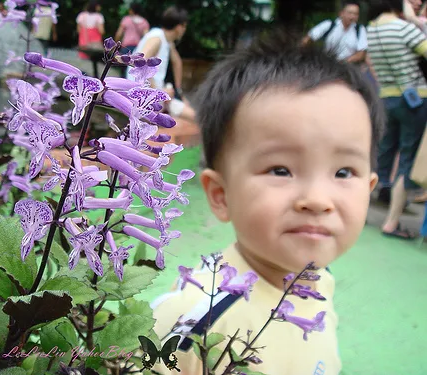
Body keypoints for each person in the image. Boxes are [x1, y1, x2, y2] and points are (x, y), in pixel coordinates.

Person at [150, 32, 382, 375]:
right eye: (281, 169)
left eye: (344, 171)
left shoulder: (321, 279)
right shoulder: (192, 323)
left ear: (370, 186)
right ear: (220, 195)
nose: (317, 200)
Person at [367, 0, 427, 239]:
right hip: (415, 99)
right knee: (407, 160)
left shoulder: (372, 28)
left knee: (382, 153)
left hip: (387, 98)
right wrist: (415, 22)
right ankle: (391, 223)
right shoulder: (404, 28)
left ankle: (363, 211)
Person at [126, 6, 195, 122]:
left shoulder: (166, 40)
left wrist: (178, 91)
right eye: (184, 27)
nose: (184, 30)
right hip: (142, 95)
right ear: (179, 27)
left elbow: (177, 62)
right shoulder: (157, 39)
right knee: (193, 117)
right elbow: (140, 63)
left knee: (187, 114)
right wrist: (159, 90)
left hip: (154, 94)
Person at [302, 1, 367, 64]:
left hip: (348, 66)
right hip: (326, 64)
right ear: (341, 13)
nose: (352, 16)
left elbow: (360, 54)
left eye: (356, 14)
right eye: (350, 13)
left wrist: (342, 62)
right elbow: (308, 38)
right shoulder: (329, 25)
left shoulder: (360, 30)